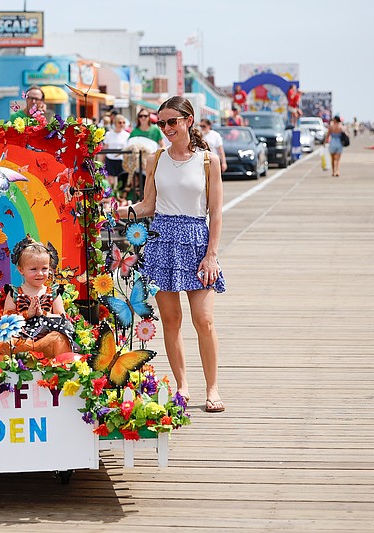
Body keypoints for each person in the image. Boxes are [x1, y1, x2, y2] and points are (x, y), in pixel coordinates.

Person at [116, 95, 225, 413]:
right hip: (161, 241)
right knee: (171, 320)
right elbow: (148, 205)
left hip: (196, 241)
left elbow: (216, 212)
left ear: (189, 120)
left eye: (171, 122)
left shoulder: (208, 161)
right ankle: (182, 386)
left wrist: (212, 255)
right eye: (160, 123)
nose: (165, 128)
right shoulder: (156, 158)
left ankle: (213, 388)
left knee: (204, 320)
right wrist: (119, 210)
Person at [0, 237, 75, 360]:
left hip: (46, 339)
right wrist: (27, 314)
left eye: (44, 269)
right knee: (4, 342)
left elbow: (62, 317)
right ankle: (3, 375)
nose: (40, 273)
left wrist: (43, 314)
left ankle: (63, 372)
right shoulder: (14, 292)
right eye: (34, 269)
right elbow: (6, 319)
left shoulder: (53, 292)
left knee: (60, 338)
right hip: (21, 340)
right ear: (21, 270)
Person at [102, 114, 130, 190]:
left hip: (122, 160)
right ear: (115, 123)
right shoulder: (109, 134)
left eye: (123, 122)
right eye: (120, 122)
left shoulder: (127, 135)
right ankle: (112, 195)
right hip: (110, 159)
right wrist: (102, 160)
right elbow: (105, 147)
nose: (122, 124)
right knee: (110, 181)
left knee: (121, 181)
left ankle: (119, 197)